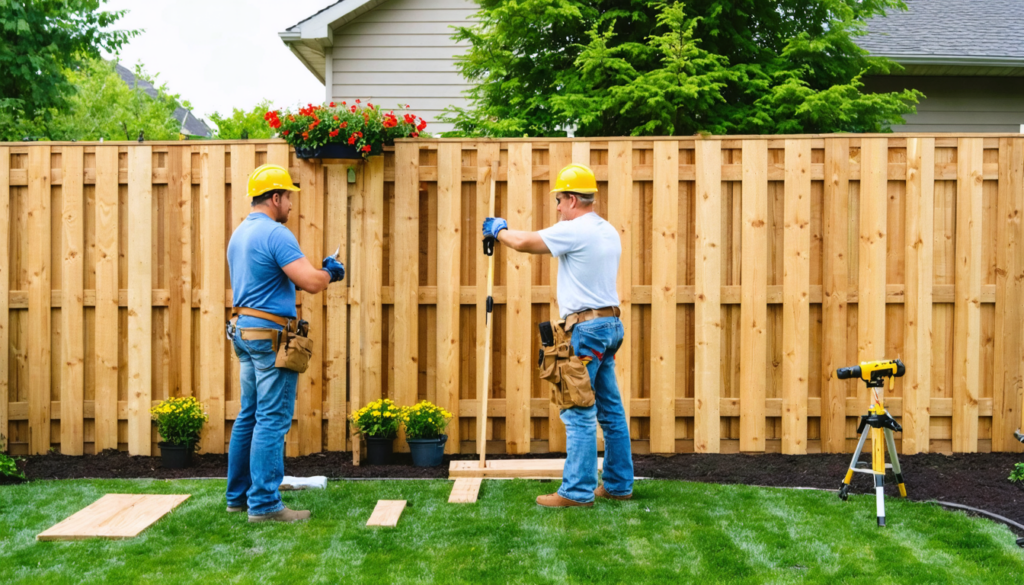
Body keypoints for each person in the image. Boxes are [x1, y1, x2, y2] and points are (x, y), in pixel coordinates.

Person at [481, 163, 633, 507]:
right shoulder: (607, 230)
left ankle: (577, 493)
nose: (559, 208)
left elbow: (524, 242)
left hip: (587, 330)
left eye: (560, 201)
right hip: (610, 326)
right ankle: (619, 485)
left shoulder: (576, 230)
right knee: (610, 410)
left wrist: (499, 230)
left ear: (574, 199)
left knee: (577, 409)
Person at [225, 164, 346, 523]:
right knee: (272, 419)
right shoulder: (276, 234)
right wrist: (331, 271)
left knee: (248, 414)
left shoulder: (240, 234)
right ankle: (264, 505)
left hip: (244, 332)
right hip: (269, 337)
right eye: (288, 197)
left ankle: (238, 498)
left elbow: (270, 281)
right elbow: (310, 282)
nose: (291, 205)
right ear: (275, 198)